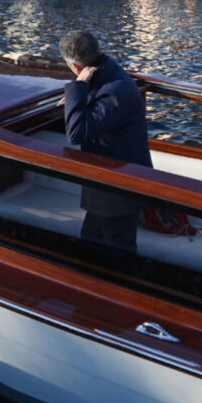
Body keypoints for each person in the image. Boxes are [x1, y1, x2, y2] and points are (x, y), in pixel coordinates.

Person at [59, 29, 152, 274]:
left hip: (119, 188)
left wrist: (77, 89)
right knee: (90, 247)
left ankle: (122, 304)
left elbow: (77, 133)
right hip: (105, 186)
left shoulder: (115, 89)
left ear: (75, 66)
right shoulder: (108, 73)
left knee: (119, 258)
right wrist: (76, 99)